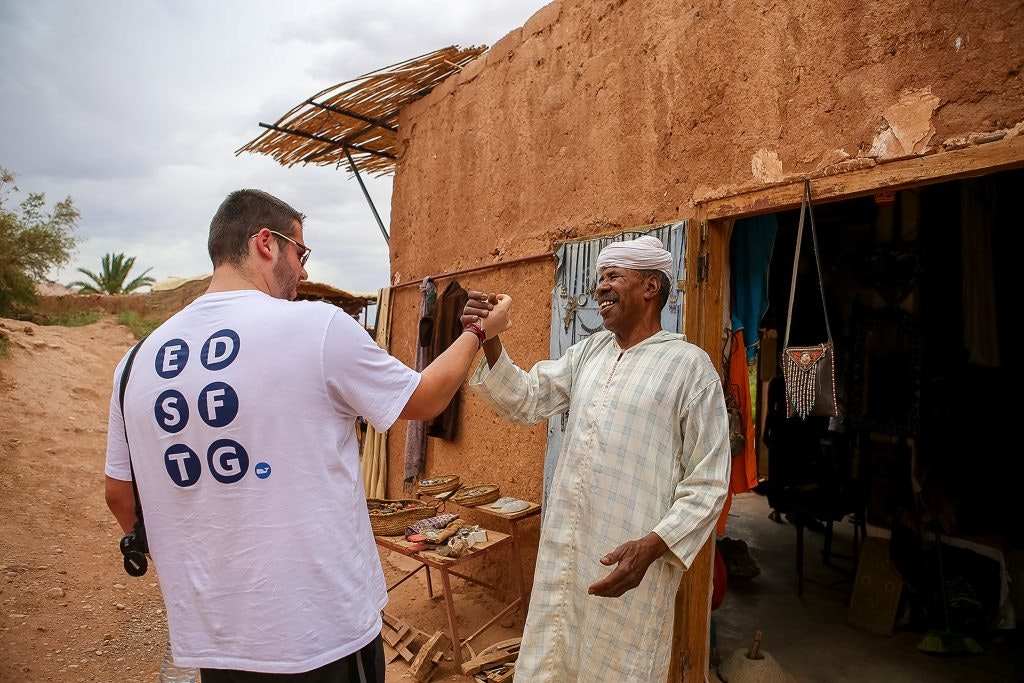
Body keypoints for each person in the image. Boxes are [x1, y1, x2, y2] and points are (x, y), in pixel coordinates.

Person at [103, 189, 512, 682]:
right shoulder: (315, 328)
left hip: (215, 643)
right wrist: (477, 334)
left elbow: (120, 494)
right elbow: (423, 398)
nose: (304, 271)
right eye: (300, 253)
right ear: (265, 244)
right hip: (320, 634)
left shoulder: (136, 364)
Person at [463, 235, 731, 682]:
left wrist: (652, 547)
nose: (600, 287)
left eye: (613, 277)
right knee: (556, 654)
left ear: (650, 287)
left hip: (631, 565)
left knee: (618, 665)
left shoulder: (689, 367)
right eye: (598, 277)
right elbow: (528, 399)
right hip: (569, 549)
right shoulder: (588, 353)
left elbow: (709, 481)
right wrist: (490, 338)